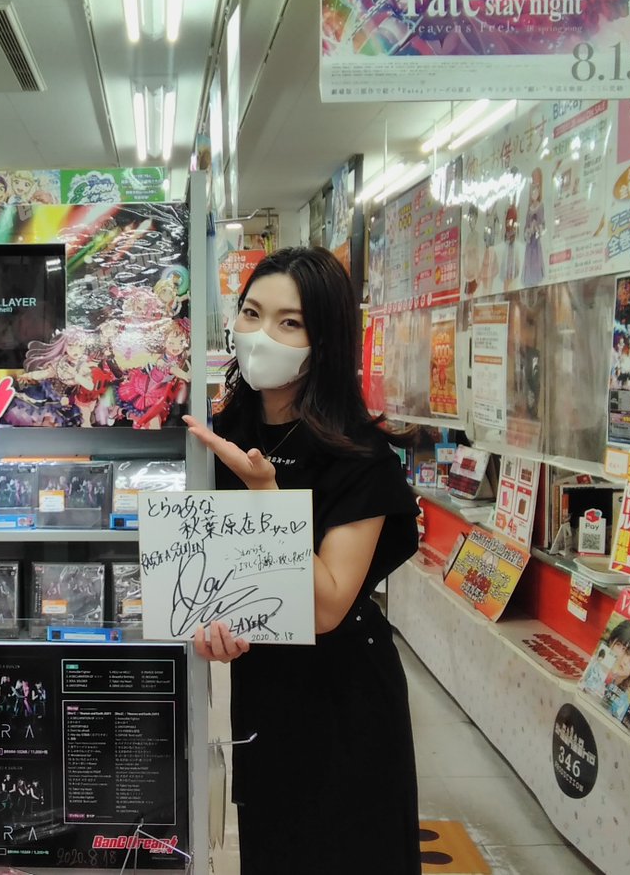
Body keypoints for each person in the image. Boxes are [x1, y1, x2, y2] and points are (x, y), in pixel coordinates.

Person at [185, 247, 421, 873]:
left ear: (326, 340)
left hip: (344, 697)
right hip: (266, 693)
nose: (262, 335)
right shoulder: (221, 431)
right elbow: (206, 572)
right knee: (274, 847)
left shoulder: (358, 453)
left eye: (289, 322)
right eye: (252, 313)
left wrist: (265, 492)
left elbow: (325, 607)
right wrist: (209, 626)